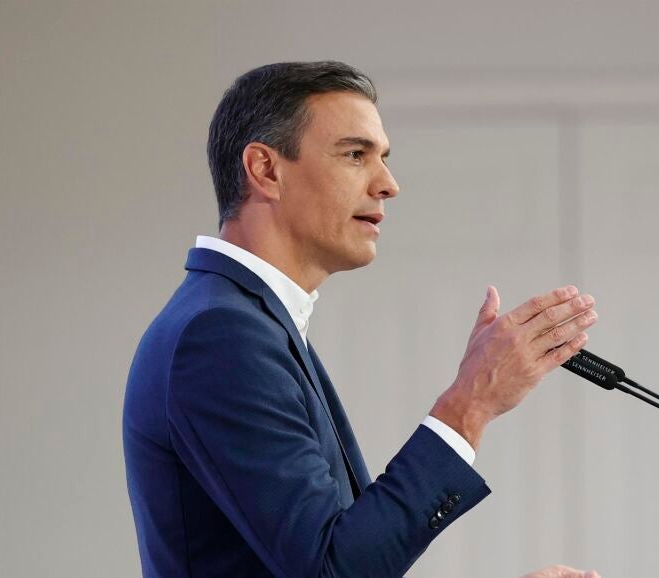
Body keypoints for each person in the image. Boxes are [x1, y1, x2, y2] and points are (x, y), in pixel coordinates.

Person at [122, 60, 601, 578]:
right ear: (265, 170)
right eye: (355, 155)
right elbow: (334, 569)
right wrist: (471, 402)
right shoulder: (222, 336)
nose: (388, 184)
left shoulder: (245, 321)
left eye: (383, 158)